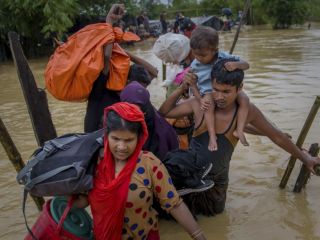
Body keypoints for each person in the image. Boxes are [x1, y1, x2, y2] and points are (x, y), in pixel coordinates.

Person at [158, 58, 320, 216]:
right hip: (189, 177)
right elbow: (164, 113)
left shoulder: (246, 111)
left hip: (218, 183)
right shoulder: (200, 104)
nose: (220, 97)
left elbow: (277, 137)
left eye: (226, 92)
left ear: (240, 88)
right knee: (182, 218)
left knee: (216, 221)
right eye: (216, 89)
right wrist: (181, 89)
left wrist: (306, 159)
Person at [73, 102, 207, 240]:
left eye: (129, 140)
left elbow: (174, 204)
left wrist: (198, 236)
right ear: (106, 135)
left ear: (139, 137)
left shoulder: (149, 164)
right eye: (116, 139)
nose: (121, 147)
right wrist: (62, 206)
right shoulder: (92, 162)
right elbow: (85, 200)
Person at [84, 4, 158, 133]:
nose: (138, 91)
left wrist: (127, 54)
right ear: (126, 81)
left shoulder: (128, 97)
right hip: (94, 143)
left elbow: (154, 72)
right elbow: (107, 56)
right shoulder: (101, 89)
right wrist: (110, 20)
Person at [188, 26, 250, 151]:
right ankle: (212, 136)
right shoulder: (194, 65)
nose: (198, 58)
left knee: (244, 99)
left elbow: (246, 65)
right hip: (209, 94)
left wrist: (235, 65)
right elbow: (193, 86)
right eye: (195, 54)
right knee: (208, 105)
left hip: (226, 92)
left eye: (203, 55)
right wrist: (200, 99)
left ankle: (239, 130)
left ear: (215, 50)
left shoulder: (225, 57)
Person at [120, 81, 179, 161]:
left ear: (146, 106)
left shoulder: (164, 132)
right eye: (131, 110)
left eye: (141, 109)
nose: (137, 116)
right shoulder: (116, 125)